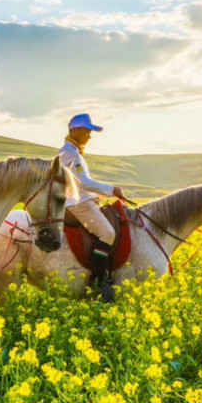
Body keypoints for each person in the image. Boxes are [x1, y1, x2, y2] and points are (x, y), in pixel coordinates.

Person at [58, 113, 127, 301]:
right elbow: (84, 183)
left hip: (83, 200)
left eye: (90, 131)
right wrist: (113, 189)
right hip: (78, 203)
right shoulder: (69, 153)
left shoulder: (73, 151)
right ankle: (97, 280)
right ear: (74, 131)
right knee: (108, 234)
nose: (90, 136)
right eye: (87, 131)